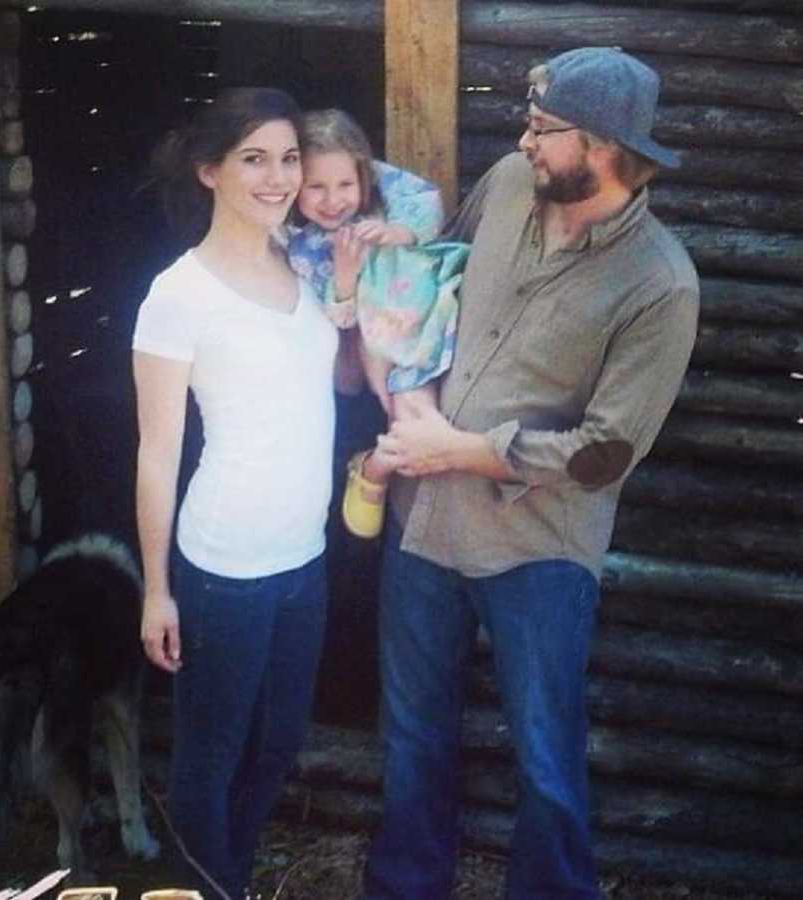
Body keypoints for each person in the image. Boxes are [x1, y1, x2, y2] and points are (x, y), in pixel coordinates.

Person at [361, 48, 700, 900]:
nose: (523, 143)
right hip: (422, 523)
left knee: (546, 758)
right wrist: (415, 406)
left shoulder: (661, 283)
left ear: (603, 146)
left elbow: (606, 451)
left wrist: (466, 451)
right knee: (411, 737)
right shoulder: (511, 186)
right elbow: (438, 286)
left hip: (541, 552)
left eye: (544, 131)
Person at [131, 87, 357, 900]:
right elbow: (157, 454)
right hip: (223, 562)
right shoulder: (178, 294)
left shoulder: (302, 259)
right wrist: (158, 589)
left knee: (278, 742)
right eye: (254, 159)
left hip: (304, 555)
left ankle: (228, 876)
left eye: (289, 158)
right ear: (208, 171)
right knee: (212, 750)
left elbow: (329, 376)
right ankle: (209, 887)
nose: (279, 177)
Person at [286, 109, 469, 538]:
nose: (333, 200)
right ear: (295, 185)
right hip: (376, 336)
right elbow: (341, 319)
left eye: (345, 185)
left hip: (426, 312)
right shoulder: (305, 247)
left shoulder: (386, 188)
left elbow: (427, 202)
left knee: (442, 395)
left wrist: (399, 232)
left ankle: (404, 460)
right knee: (397, 402)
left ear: (363, 176)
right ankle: (375, 469)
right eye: (316, 187)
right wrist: (346, 275)